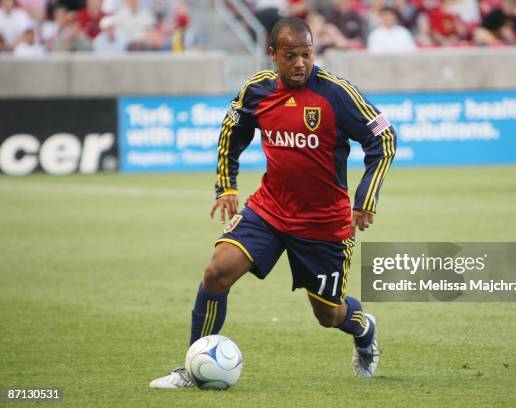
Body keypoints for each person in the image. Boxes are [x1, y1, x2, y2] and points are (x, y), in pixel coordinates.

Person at [150, 16, 396, 389]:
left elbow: (385, 138)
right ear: (273, 55)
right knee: (217, 271)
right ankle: (191, 367)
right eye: (291, 56)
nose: (300, 63)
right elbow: (232, 131)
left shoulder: (337, 94)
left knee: (328, 314)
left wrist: (365, 199)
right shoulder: (257, 90)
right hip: (269, 209)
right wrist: (226, 187)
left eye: (307, 55)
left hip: (323, 223)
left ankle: (364, 328)